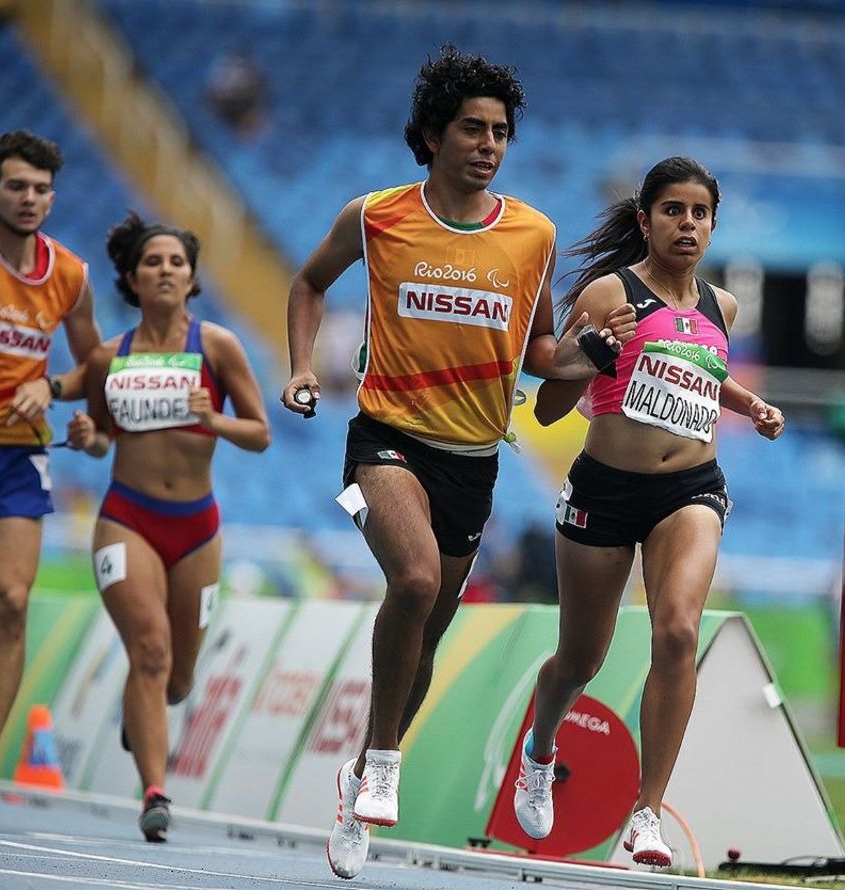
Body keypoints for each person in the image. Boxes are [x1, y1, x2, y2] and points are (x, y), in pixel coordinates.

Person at [280, 45, 635, 880]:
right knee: (414, 582)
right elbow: (306, 284)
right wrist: (300, 367)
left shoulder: (533, 234)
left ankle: (362, 772)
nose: (488, 144)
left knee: (429, 634)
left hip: (474, 458)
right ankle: (383, 767)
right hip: (382, 441)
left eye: (501, 131)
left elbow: (540, 351)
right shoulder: (376, 216)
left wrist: (592, 355)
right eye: (472, 128)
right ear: (432, 135)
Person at [512, 157, 785, 867]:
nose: (686, 224)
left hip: (689, 490)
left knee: (676, 632)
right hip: (604, 490)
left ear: (713, 224)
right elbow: (545, 407)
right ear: (645, 220)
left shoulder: (722, 306)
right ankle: (539, 750)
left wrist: (748, 404)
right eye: (672, 211)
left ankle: (647, 814)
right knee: (581, 660)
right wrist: (593, 352)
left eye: (699, 213)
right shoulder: (610, 292)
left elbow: (698, 374)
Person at [66, 212, 270, 841]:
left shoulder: (218, 347)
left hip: (197, 530)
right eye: (152, 262)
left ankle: (147, 707)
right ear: (131, 277)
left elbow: (259, 434)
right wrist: (88, 436)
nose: (165, 270)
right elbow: (101, 436)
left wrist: (215, 422)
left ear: (192, 277)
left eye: (176, 262)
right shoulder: (109, 357)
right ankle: (155, 793)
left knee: (178, 675)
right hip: (127, 519)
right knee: (148, 649)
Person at [0, 130, 102, 818]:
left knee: (10, 601)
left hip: (17, 456)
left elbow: (96, 365)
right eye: (17, 187)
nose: (30, 198)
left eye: (41, 189)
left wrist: (59, 391)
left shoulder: (70, 273)